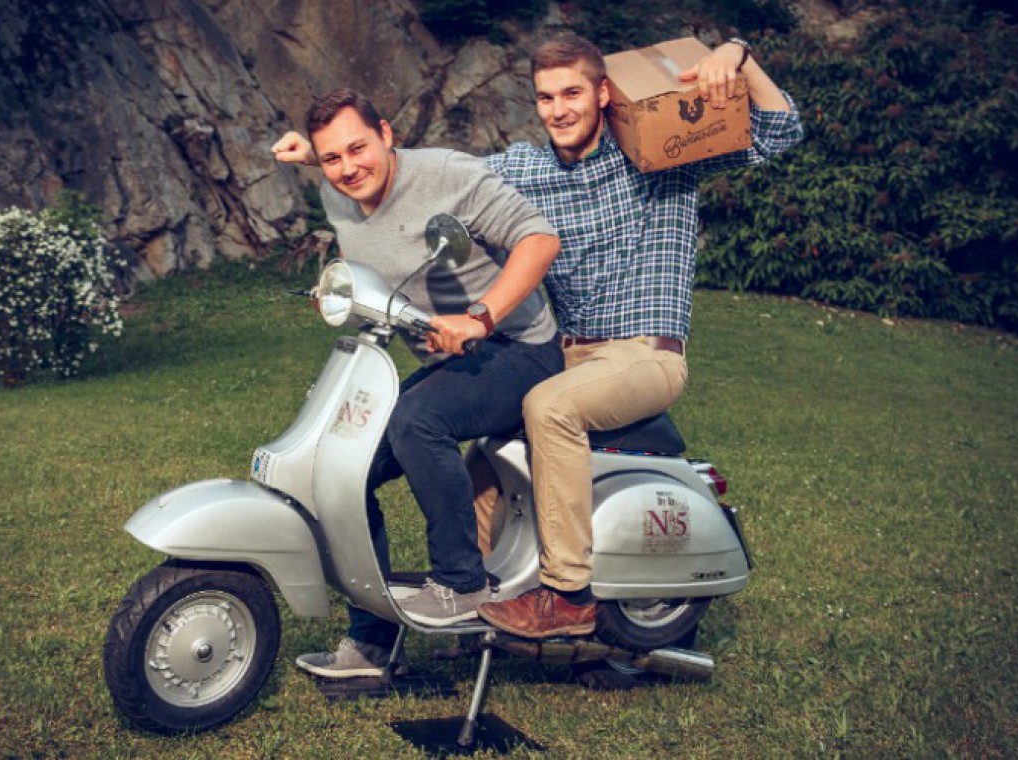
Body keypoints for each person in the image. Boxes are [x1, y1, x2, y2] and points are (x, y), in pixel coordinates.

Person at [474, 33, 804, 638]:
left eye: (572, 92)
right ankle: (475, 591)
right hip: (566, 355)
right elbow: (443, 176)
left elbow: (782, 132)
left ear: (602, 93)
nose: (559, 109)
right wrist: (328, 152)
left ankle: (568, 595)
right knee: (484, 451)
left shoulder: (662, 151)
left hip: (645, 354)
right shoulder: (527, 168)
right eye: (546, 97)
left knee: (548, 408)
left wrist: (738, 53)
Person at [271, 88, 563, 677]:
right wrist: (311, 158)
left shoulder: (451, 176)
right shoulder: (337, 187)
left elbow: (540, 239)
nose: (349, 167)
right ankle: (371, 644)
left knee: (417, 420)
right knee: (344, 469)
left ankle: (462, 583)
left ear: (387, 132)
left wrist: (480, 314)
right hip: (449, 364)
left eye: (359, 148)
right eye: (333, 159)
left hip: (518, 349)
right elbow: (341, 165)